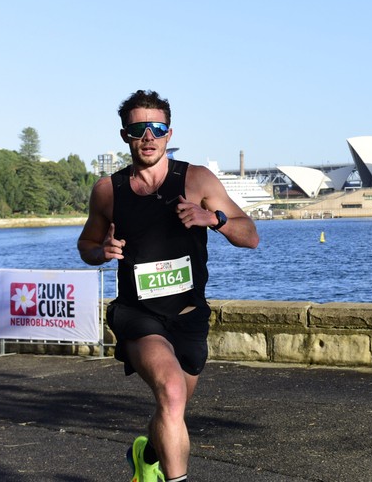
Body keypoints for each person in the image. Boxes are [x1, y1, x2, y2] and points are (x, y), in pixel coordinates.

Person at [78, 90, 259, 482]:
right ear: (125, 135)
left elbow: (251, 236)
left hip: (189, 316)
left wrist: (214, 219)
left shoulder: (196, 180)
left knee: (172, 405)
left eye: (156, 128)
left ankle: (146, 455)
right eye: (139, 128)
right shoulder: (109, 191)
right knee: (173, 392)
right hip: (137, 314)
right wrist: (102, 251)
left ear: (169, 133)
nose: (148, 136)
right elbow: (86, 246)